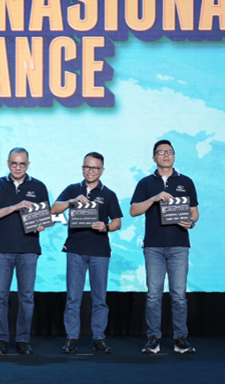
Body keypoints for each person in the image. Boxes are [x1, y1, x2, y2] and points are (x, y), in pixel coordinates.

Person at [130, 140, 199, 354]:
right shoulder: (145, 183)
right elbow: (134, 211)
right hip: (154, 247)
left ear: (174, 156)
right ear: (154, 158)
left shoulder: (186, 181)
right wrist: (154, 198)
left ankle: (180, 339)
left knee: (179, 295)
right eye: (161, 152)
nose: (166, 155)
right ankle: (153, 338)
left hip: (179, 245)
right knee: (153, 295)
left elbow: (194, 211)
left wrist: (191, 222)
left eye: (170, 152)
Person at [51, 152, 122, 355]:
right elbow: (54, 209)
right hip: (75, 250)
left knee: (100, 299)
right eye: (87, 167)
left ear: (102, 170)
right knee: (73, 298)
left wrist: (106, 227)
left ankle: (99, 338)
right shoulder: (72, 189)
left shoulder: (108, 194)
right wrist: (72, 201)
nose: (90, 171)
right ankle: (71, 338)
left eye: (95, 168)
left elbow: (117, 222)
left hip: (100, 252)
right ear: (82, 168)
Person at [0, 147, 50, 355]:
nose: (18, 167)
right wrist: (14, 207)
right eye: (14, 163)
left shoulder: (38, 186)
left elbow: (45, 217)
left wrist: (41, 224)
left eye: (22, 164)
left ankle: (23, 340)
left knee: (27, 297)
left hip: (29, 249)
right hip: (1, 250)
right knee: (0, 297)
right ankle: (1, 339)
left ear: (28, 164)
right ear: (8, 164)